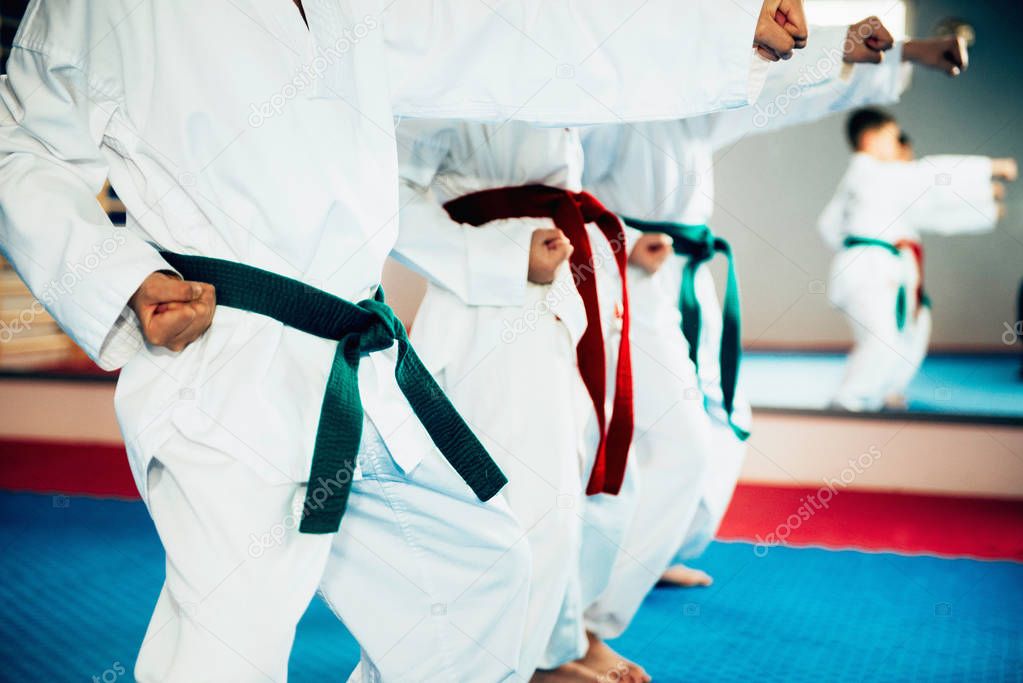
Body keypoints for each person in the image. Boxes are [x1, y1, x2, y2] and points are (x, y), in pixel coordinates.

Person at [0, 1, 807, 681]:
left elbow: (516, 35)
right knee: (226, 642)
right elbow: (23, 143)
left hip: (355, 357)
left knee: (478, 574)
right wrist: (122, 277)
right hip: (225, 348)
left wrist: (719, 27)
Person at [579, 19, 976, 628]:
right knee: (657, 429)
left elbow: (783, 90)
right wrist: (625, 241)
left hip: (684, 272)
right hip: (625, 277)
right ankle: (594, 606)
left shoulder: (690, 100)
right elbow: (563, 190)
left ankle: (659, 549)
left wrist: (904, 54)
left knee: (725, 414)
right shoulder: (610, 95)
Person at [820, 107, 1016, 412]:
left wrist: (986, 208)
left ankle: (884, 391)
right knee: (883, 339)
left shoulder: (871, 181)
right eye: (892, 137)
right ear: (871, 139)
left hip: (879, 266)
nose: (899, 145)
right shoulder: (870, 172)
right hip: (869, 268)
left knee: (910, 333)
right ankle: (848, 401)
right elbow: (929, 177)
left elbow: (829, 225)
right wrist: (988, 168)